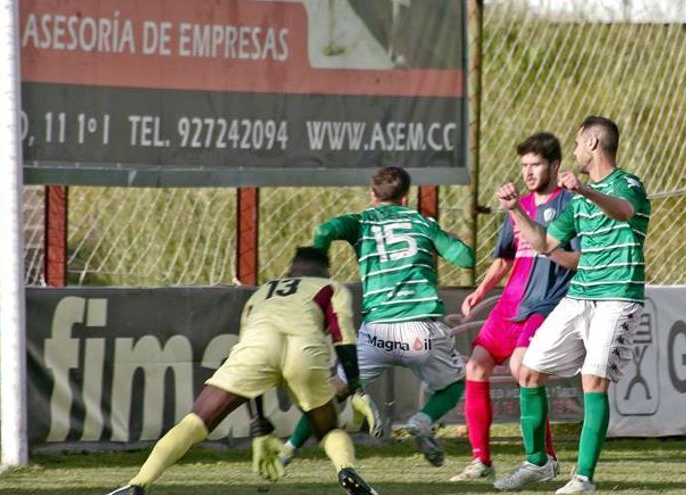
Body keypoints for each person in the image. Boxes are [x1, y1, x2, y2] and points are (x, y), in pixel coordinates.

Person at [107, 247, 381, 495]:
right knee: (329, 429)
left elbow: (244, 352)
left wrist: (259, 427)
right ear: (326, 270)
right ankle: (346, 470)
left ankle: (138, 484)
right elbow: (342, 336)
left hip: (258, 347)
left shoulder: (262, 292)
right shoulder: (332, 287)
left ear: (290, 270)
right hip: (304, 350)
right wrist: (356, 386)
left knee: (194, 423)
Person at [492, 116, 651, 494]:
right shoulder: (579, 200)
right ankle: (538, 463)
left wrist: (584, 191)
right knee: (528, 372)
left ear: (594, 143)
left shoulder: (627, 185)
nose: (575, 150)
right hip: (579, 297)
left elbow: (624, 212)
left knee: (593, 382)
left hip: (616, 298)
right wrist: (516, 210)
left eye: (578, 143)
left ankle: (582, 479)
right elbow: (546, 243)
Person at [281, 166, 475, 467]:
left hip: (377, 333)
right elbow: (465, 258)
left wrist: (318, 273)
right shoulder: (421, 222)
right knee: (454, 385)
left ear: (373, 194)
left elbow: (323, 231)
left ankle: (288, 450)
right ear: (406, 196)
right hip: (420, 330)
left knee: (333, 392)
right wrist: (443, 235)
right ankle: (422, 421)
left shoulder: (361, 222)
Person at [451, 133, 580, 482]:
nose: (528, 171)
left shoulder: (569, 203)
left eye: (535, 164)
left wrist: (552, 252)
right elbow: (505, 258)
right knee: (476, 368)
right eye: (524, 165)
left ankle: (543, 458)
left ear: (554, 165)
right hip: (512, 302)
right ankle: (481, 461)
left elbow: (578, 257)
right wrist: (480, 292)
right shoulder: (517, 207)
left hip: (547, 301)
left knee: (524, 367)